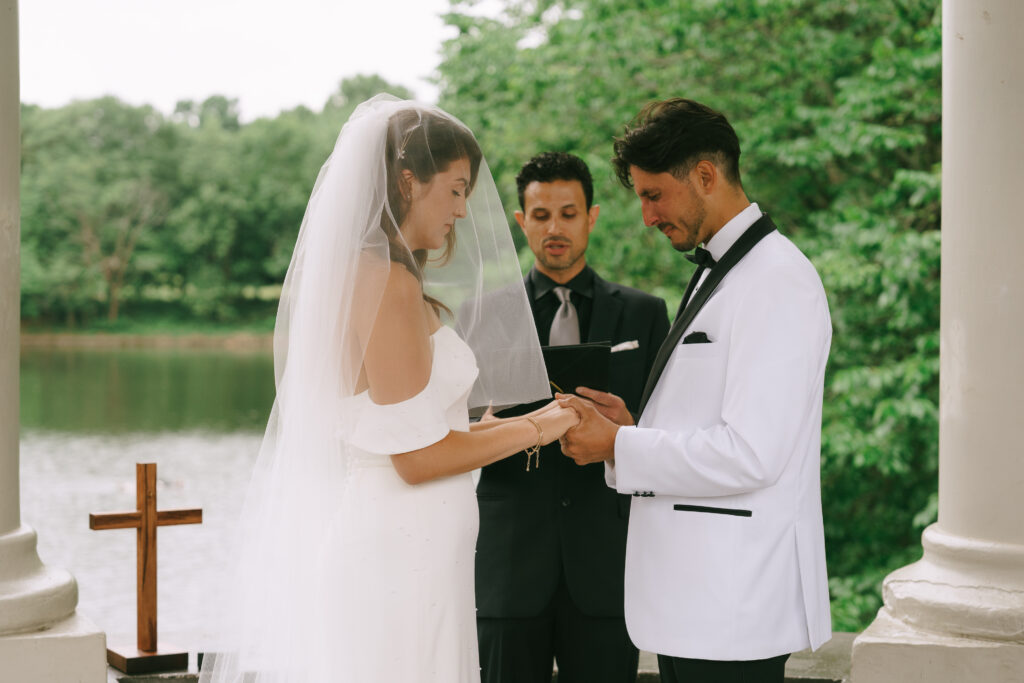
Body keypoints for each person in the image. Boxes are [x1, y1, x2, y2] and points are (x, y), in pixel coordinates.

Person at [199, 96, 578, 683]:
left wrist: (547, 414)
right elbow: (416, 458)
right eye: (454, 189)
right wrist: (539, 428)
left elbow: (431, 434)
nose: (462, 209)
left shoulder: (387, 276)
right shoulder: (385, 281)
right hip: (399, 554)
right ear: (408, 181)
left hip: (420, 548)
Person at [558, 98, 833, 683]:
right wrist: (631, 429)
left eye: (653, 194)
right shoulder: (721, 267)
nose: (646, 217)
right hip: (699, 605)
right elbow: (708, 419)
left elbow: (752, 452)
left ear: (705, 175)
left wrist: (618, 448)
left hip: (734, 607)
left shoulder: (778, 280)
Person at [475, 152, 669, 683]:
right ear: (521, 222)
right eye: (540, 216)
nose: (554, 228)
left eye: (568, 213)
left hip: (605, 568)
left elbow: (666, 434)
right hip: (509, 567)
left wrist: (627, 429)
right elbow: (463, 433)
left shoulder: (644, 314)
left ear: (592, 217)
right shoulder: (486, 314)